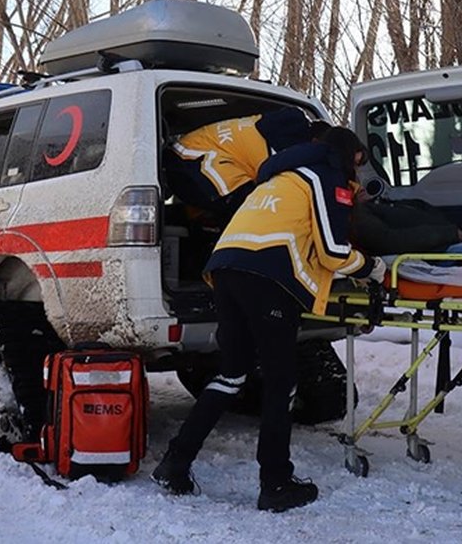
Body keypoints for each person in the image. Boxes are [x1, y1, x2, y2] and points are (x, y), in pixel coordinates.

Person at [151, 127, 383, 513]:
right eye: (359, 162)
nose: (358, 175)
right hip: (269, 278)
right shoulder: (326, 177)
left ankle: (175, 463)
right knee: (281, 383)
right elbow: (331, 251)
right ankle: (275, 482)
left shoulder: (280, 177)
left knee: (231, 375)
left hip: (225, 268)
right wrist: (372, 267)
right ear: (348, 154)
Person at [163, 106, 330, 220]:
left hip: (186, 158)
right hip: (193, 162)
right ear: (315, 142)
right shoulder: (293, 146)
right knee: (253, 210)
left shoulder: (273, 126)